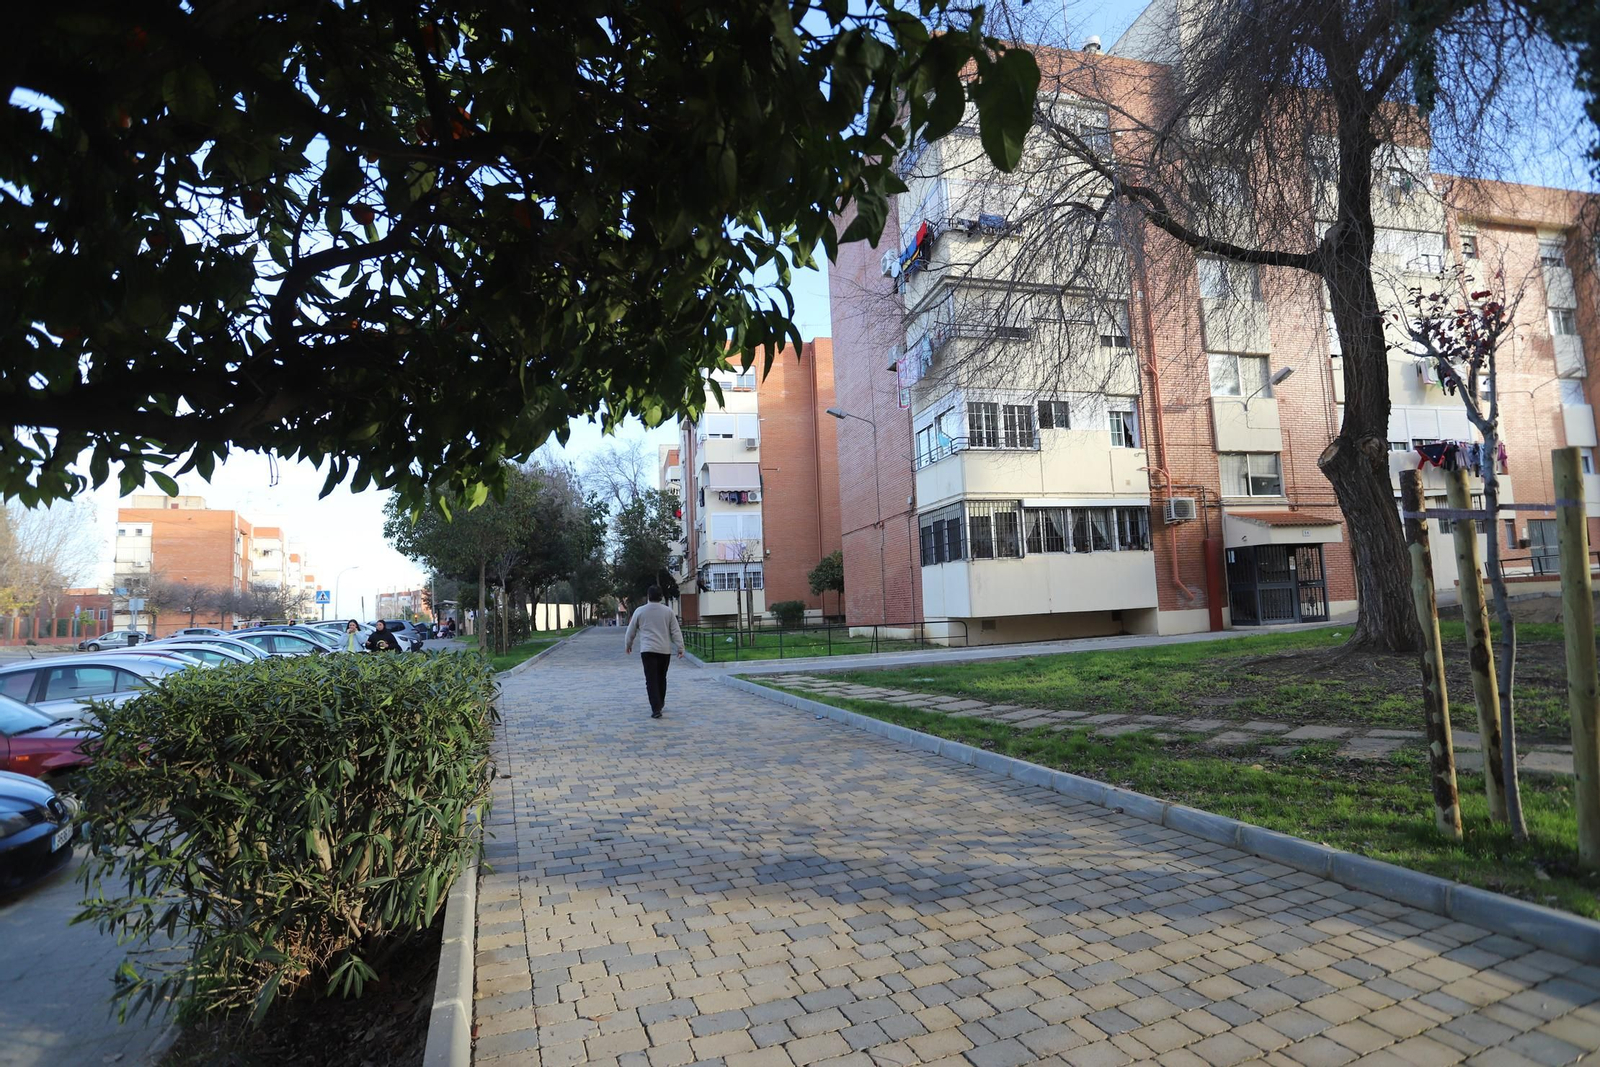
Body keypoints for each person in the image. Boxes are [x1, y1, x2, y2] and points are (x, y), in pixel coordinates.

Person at [623, 586, 684, 719]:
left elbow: (631, 630)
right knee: (662, 678)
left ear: (648, 596)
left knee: (651, 679)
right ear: (661, 597)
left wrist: (628, 644)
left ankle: (655, 708)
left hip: (647, 650)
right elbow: (675, 631)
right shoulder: (668, 612)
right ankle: (660, 702)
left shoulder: (640, 611)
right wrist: (680, 647)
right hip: (664, 650)